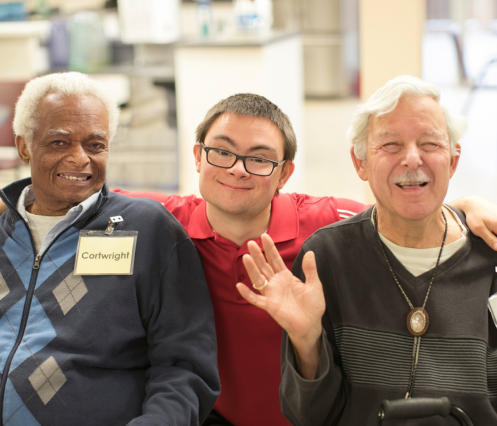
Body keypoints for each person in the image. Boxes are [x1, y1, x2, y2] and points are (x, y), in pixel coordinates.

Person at [111, 93, 497, 426]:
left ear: (285, 173)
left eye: (259, 159)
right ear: (198, 157)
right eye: (222, 152)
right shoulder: (162, 222)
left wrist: (462, 208)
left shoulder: (325, 224)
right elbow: (92, 201)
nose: (237, 169)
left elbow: (400, 206)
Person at [237, 75, 497, 425]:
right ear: (360, 163)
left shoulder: (488, 256)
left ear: (452, 160)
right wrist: (307, 341)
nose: (411, 159)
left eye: (430, 144)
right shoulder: (327, 257)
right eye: (390, 145)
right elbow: (309, 416)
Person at [0, 72, 219, 426]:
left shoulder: (147, 230)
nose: (79, 158)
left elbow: (186, 368)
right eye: (59, 142)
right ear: (24, 145)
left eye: (95, 145)